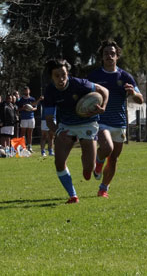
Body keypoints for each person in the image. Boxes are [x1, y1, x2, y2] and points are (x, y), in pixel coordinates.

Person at [42, 58, 109, 204]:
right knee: (59, 162)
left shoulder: (79, 84)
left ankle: (91, 162)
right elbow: (49, 119)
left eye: (63, 75)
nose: (61, 79)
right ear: (51, 77)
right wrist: (59, 132)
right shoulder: (50, 91)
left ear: (68, 74)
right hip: (66, 125)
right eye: (57, 76)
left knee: (88, 171)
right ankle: (73, 196)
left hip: (87, 123)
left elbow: (104, 90)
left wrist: (103, 106)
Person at [87, 39, 144, 198]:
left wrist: (133, 93)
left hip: (119, 122)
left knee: (113, 159)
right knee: (107, 148)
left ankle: (104, 188)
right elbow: (85, 96)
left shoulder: (125, 76)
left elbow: (140, 99)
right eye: (106, 53)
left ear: (117, 56)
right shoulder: (94, 76)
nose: (109, 56)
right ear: (102, 56)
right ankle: (98, 163)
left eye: (112, 53)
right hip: (100, 120)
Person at [17, 86, 43, 153]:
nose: (26, 91)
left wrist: (31, 109)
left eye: (27, 90)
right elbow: (18, 109)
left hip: (31, 117)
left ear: (29, 91)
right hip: (24, 118)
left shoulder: (32, 99)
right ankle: (21, 147)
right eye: (25, 90)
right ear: (23, 91)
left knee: (30, 133)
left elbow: (35, 108)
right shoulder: (21, 100)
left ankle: (29, 147)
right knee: (22, 133)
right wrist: (23, 108)